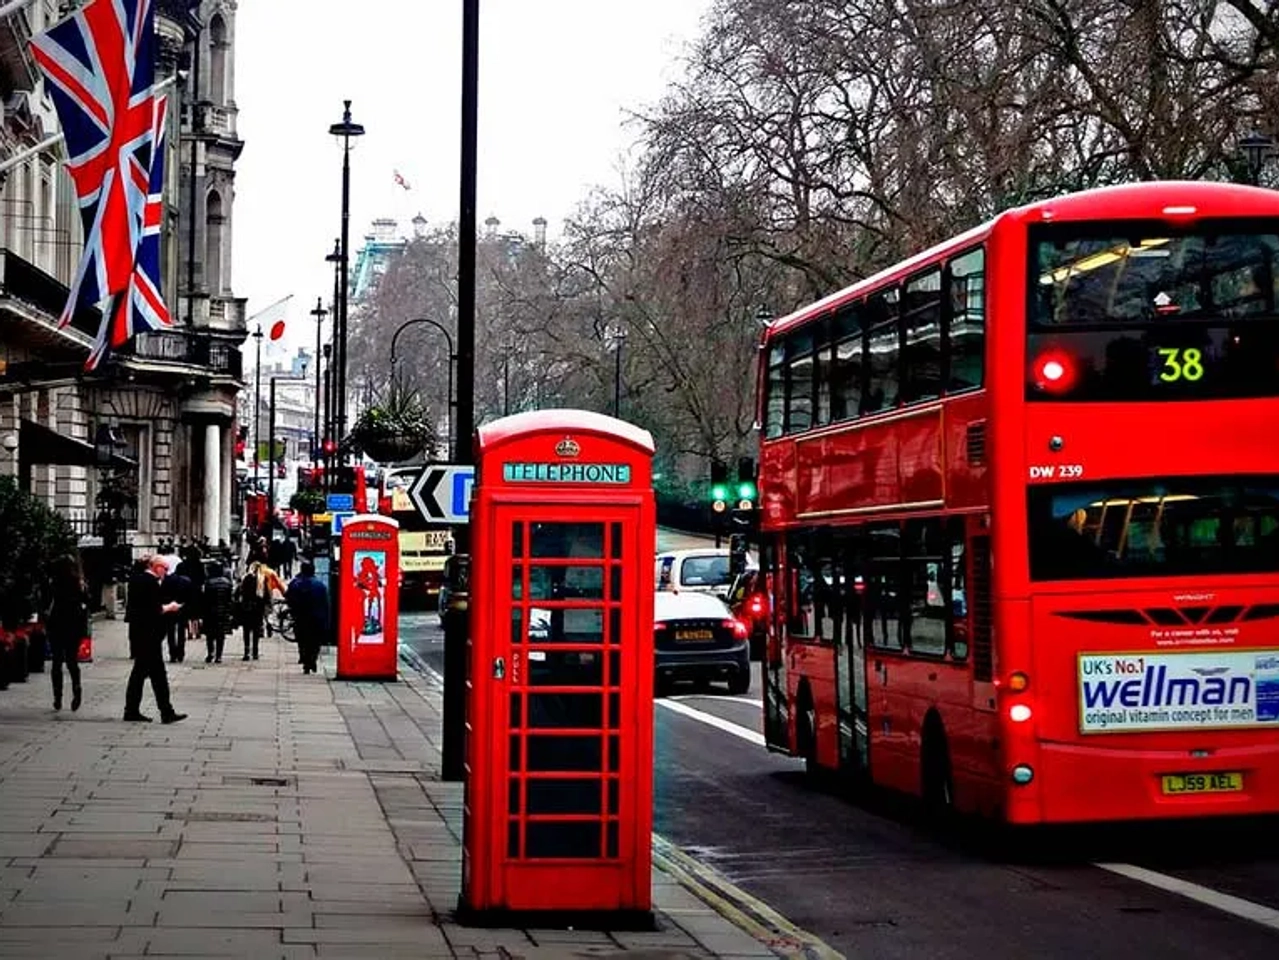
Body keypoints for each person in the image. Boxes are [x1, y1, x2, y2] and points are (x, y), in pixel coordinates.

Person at [124, 555, 187, 724]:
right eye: (164, 569)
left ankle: (161, 711)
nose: (166, 573)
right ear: (155, 567)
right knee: (148, 674)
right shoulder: (150, 583)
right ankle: (159, 711)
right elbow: (154, 609)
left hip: (141, 634)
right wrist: (170, 607)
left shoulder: (137, 580)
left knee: (151, 674)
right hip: (149, 635)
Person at [45, 555, 88, 712]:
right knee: (71, 660)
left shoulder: (53, 582)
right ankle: (77, 689)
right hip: (73, 624)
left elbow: (47, 601)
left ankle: (58, 697)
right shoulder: (77, 583)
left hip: (57, 623)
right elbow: (87, 600)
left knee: (57, 661)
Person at [286, 560, 329, 674]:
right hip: (317, 617)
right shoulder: (320, 585)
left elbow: (289, 599)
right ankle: (312, 659)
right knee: (315, 641)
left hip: (300, 617)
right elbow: (325, 604)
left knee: (302, 639)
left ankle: (305, 659)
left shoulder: (295, 583)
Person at [162, 562, 194, 664]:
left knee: (170, 632)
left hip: (170, 608)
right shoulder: (187, 581)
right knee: (181, 632)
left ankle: (172, 654)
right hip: (183, 608)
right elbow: (190, 597)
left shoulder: (168, 579)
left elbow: (162, 594)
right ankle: (180, 653)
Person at [202, 563, 234, 664]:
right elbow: (230, 599)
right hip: (223, 611)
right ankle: (219, 655)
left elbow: (206, 599)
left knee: (210, 634)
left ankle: (210, 652)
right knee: (221, 634)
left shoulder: (209, 583)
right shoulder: (227, 583)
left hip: (210, 611)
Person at [175, 545, 206, 647]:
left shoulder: (181, 565)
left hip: (183, 591)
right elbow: (203, 578)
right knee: (195, 613)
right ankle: (196, 631)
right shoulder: (200, 565)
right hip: (196, 591)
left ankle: (188, 631)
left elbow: (177, 577)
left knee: (185, 613)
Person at [236, 569, 267, 661]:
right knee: (256, 631)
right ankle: (255, 652)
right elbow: (265, 597)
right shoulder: (261, 582)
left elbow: (237, 594)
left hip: (246, 609)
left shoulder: (245, 580)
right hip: (257, 610)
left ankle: (247, 651)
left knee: (246, 631)